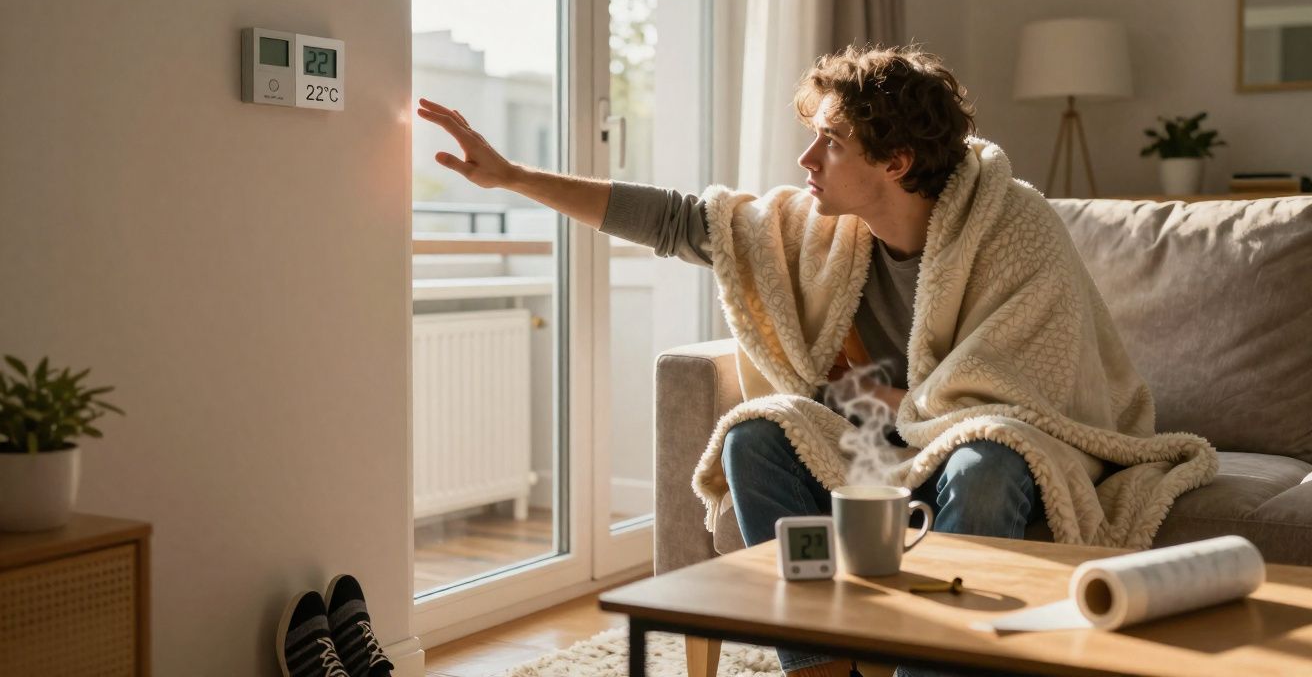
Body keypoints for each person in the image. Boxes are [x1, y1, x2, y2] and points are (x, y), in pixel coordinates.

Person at [417, 43, 1214, 677]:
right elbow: (679, 220)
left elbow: (1037, 379)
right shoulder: (815, 228)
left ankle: (933, 671)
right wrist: (513, 177)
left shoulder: (1016, 224)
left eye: (829, 141)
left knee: (987, 465)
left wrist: (911, 403)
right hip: (879, 442)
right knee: (756, 434)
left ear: (896, 161)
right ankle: (819, 666)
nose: (806, 160)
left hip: (1005, 439)